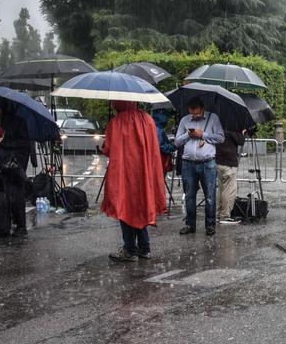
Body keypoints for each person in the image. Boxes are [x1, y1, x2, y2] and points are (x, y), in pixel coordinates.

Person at [101, 101, 167, 261]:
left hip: (124, 173)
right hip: (144, 172)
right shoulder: (148, 120)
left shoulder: (116, 122)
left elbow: (108, 149)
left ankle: (130, 248)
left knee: (124, 207)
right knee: (141, 205)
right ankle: (144, 247)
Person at [0, 97, 31, 238]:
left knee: (16, 195)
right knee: (1, 194)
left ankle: (20, 225)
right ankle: (4, 222)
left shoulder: (18, 122)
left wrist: (5, 142)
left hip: (13, 164)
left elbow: (23, 144)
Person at [174, 97, 223, 236]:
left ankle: (210, 225)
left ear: (202, 109)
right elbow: (177, 142)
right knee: (189, 196)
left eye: (197, 114)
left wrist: (203, 134)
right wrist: (188, 135)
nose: (194, 116)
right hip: (188, 163)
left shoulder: (213, 119)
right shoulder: (185, 120)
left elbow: (221, 137)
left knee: (210, 196)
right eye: (192, 114)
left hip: (208, 163)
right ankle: (190, 225)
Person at [216, 127, 245, 225]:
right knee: (229, 190)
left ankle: (219, 213)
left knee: (221, 189)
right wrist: (242, 132)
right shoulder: (231, 127)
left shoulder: (218, 124)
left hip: (218, 161)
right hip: (229, 162)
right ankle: (225, 216)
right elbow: (240, 141)